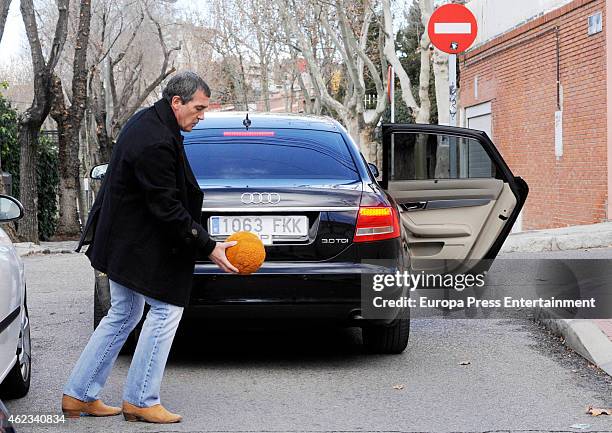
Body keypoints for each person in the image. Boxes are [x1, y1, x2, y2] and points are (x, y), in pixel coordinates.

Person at [61, 71, 239, 423]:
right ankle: (141, 399)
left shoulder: (150, 122)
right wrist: (209, 247)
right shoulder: (155, 139)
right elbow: (167, 208)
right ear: (177, 102)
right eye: (198, 108)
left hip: (124, 239)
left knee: (125, 312)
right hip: (135, 244)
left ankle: (78, 395)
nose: (201, 116)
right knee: (166, 309)